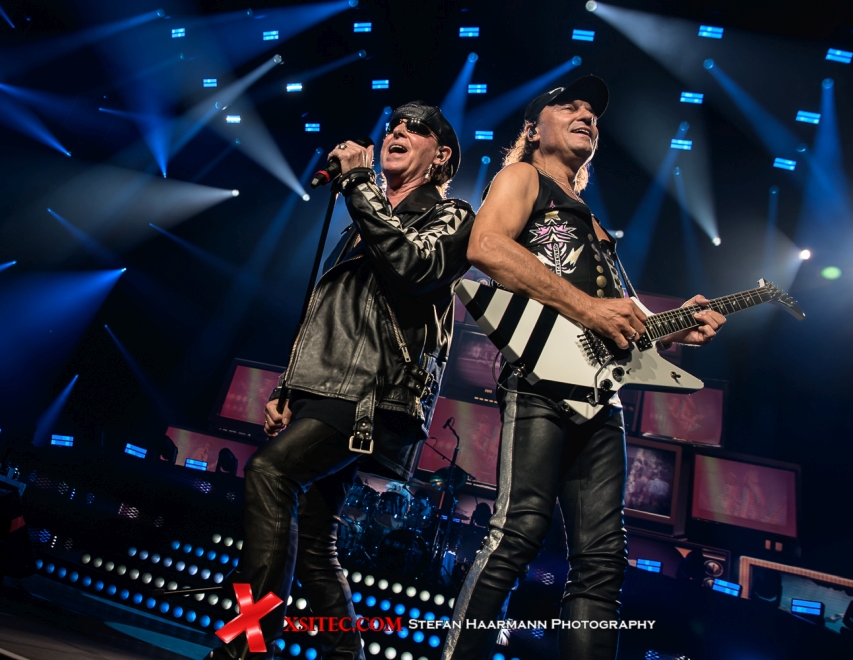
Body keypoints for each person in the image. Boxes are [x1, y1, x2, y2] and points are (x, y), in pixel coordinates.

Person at [442, 75, 726, 660]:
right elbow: (485, 247)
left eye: (592, 113)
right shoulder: (524, 178)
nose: (586, 116)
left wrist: (676, 326)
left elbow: (625, 322)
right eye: (568, 106)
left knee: (602, 560)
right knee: (517, 533)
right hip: (540, 381)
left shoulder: (588, 218)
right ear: (533, 129)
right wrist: (589, 308)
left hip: (601, 396)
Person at [207, 102, 475, 660]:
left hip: (377, 392)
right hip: (329, 389)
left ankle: (246, 648)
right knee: (313, 538)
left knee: (270, 474)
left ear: (442, 156)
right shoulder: (362, 223)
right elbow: (325, 317)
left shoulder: (451, 215)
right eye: (393, 125)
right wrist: (288, 387)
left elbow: (413, 268)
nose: (397, 131)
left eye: (416, 128)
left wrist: (358, 184)